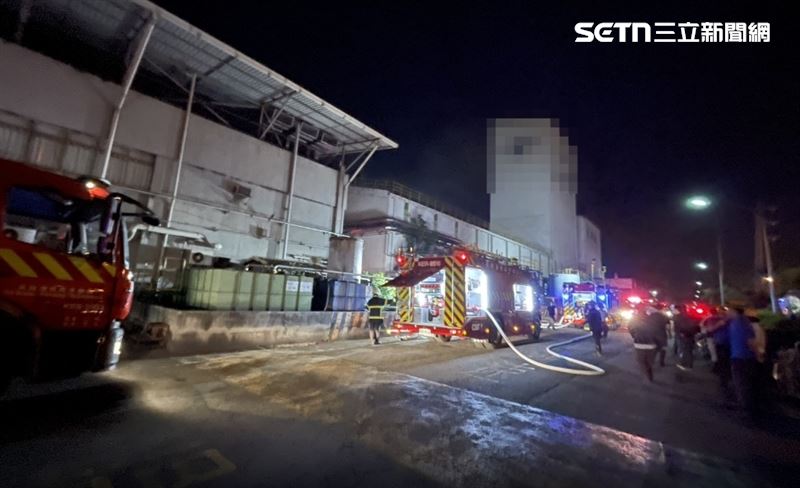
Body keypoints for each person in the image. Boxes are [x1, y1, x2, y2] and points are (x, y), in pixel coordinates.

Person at [728, 308, 759, 417]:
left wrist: (758, 355)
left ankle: (747, 408)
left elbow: (751, 341)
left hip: (743, 358)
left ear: (735, 312)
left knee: (742, 383)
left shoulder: (742, 323)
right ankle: (746, 406)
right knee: (742, 383)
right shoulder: (735, 323)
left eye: (729, 310)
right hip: (740, 356)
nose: (728, 312)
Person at [629, 307, 660, 382]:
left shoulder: (634, 320)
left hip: (639, 344)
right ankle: (649, 371)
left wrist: (634, 336)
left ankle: (648, 373)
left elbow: (630, 329)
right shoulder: (653, 320)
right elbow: (657, 332)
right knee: (649, 361)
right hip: (651, 344)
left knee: (641, 361)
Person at [673, 305, 700, 370]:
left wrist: (681, 333)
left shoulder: (679, 317)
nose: (674, 311)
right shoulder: (689, 315)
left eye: (675, 310)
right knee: (688, 350)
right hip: (689, 335)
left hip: (683, 335)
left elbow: (678, 327)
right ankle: (689, 364)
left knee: (683, 350)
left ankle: (684, 363)